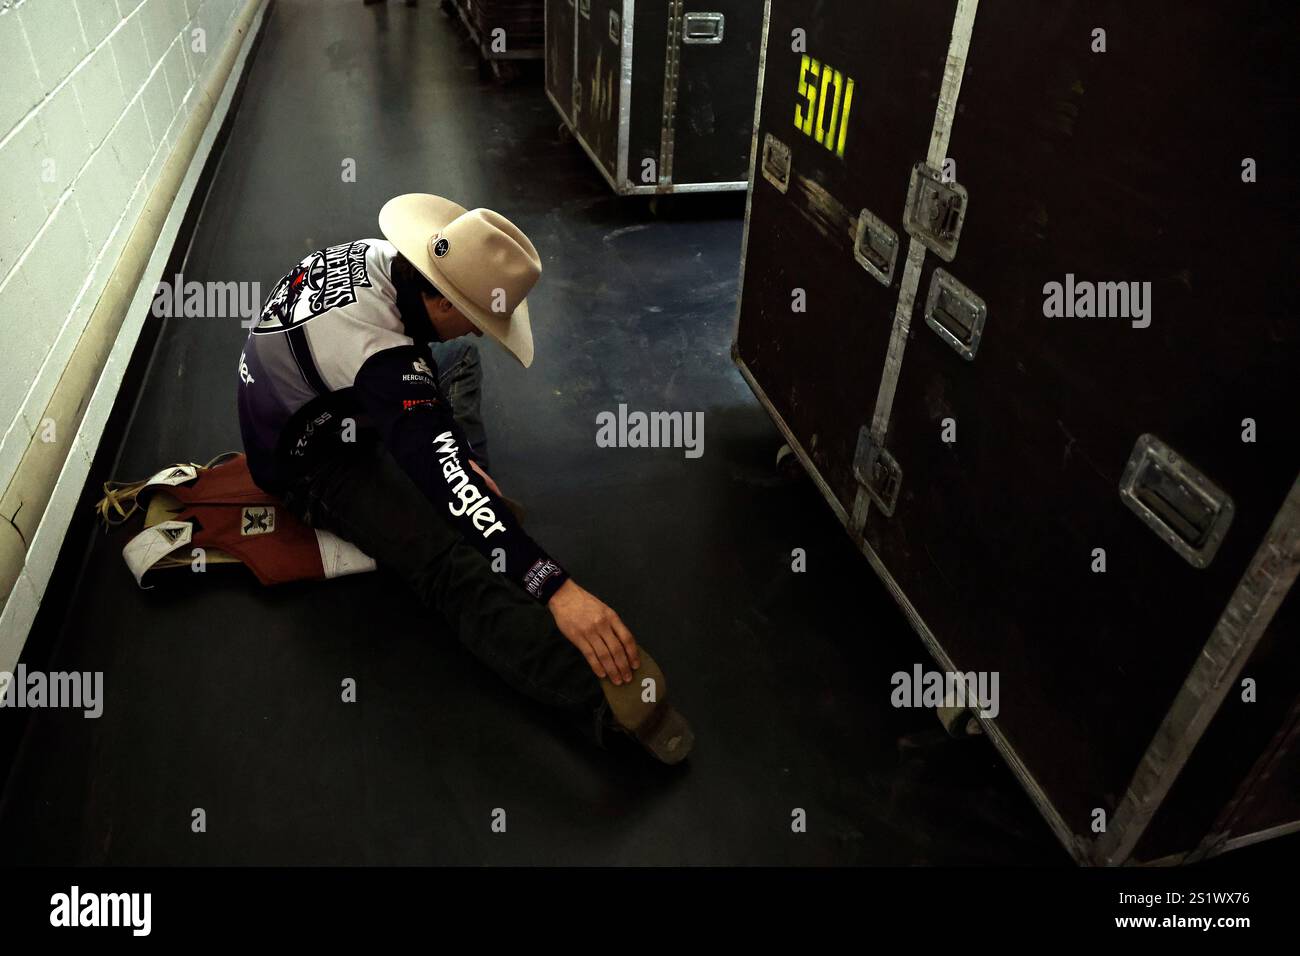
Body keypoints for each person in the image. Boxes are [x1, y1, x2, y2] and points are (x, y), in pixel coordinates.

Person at [236, 194, 693, 763]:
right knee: (452, 561)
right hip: (311, 459)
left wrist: (452, 457)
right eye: (478, 320)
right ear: (444, 300)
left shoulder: (388, 263)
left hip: (343, 400)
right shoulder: (383, 359)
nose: (480, 332)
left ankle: (454, 471)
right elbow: (386, 371)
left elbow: (410, 369)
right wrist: (556, 588)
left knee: (457, 370)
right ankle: (602, 709)